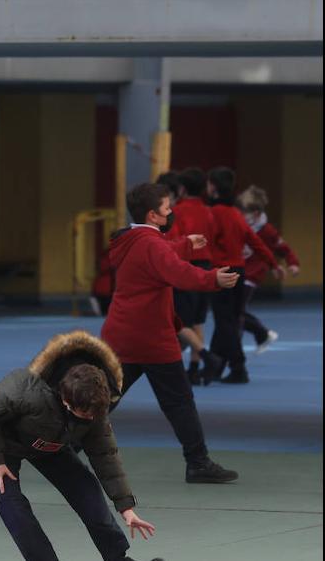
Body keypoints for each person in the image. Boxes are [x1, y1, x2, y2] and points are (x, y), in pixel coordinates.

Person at [0, 330, 161, 561]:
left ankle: (117, 557)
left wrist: (126, 508)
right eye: (83, 414)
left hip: (51, 445)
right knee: (12, 505)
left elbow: (105, 455)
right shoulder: (26, 390)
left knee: (86, 488)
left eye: (94, 414)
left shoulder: (94, 405)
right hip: (8, 445)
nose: (89, 418)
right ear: (65, 399)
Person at [100, 182, 240, 484]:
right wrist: (213, 278)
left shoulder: (132, 239)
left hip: (121, 334)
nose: (171, 212)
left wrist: (186, 244)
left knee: (102, 398)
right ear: (153, 215)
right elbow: (177, 272)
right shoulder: (151, 244)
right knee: (179, 402)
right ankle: (198, 462)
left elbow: (158, 253)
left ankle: (60, 446)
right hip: (151, 337)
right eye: (167, 208)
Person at [206, 167, 279, 384]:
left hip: (221, 272)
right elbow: (255, 242)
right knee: (227, 321)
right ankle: (216, 367)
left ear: (213, 187)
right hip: (239, 271)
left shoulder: (213, 214)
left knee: (225, 322)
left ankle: (238, 367)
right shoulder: (236, 215)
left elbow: (204, 242)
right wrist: (273, 263)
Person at [164, 167, 218, 384]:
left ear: (182, 189)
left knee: (180, 321)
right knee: (197, 321)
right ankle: (194, 369)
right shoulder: (208, 211)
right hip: (206, 265)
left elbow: (175, 242)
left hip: (187, 266)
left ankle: (206, 356)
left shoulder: (177, 211)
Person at [237, 185, 300, 353]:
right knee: (235, 311)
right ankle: (261, 334)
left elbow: (283, 249)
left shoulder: (267, 230)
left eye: (244, 212)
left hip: (252, 274)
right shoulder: (240, 224)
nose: (241, 215)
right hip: (238, 270)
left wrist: (293, 264)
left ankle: (241, 346)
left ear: (256, 213)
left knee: (236, 311)